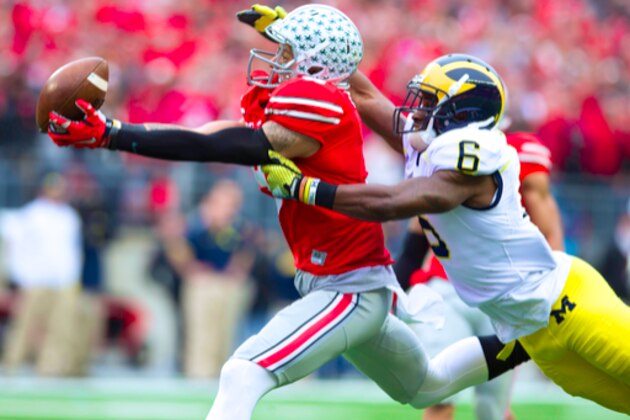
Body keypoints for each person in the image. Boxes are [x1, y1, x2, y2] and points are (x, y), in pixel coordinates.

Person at [45, 6, 516, 419]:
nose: (277, 59)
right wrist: (117, 132)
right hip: (347, 282)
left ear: (315, 63)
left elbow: (226, 145)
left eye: (289, 51)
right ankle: (527, 342)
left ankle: (532, 335)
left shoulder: (321, 101)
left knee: (243, 373)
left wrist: (114, 134)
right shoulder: (322, 97)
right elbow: (217, 135)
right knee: (428, 385)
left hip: (349, 289)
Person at [261, 53, 630, 414]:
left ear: (462, 114)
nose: (417, 110)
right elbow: (365, 96)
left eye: (429, 102)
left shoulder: (472, 157)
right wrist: (315, 51)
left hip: (567, 304)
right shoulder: (431, 147)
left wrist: (304, 188)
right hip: (531, 332)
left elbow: (392, 202)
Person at [404, 131, 564, 420]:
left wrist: (553, 295)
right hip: (447, 289)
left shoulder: (519, 152)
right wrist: (402, 278)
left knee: (493, 408)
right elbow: (419, 226)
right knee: (438, 394)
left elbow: (549, 230)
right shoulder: (441, 148)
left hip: (501, 294)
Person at [1, 172, 85, 376]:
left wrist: (73, 276)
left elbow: (72, 250)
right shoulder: (32, 214)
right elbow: (14, 242)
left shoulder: (69, 216)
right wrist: (20, 274)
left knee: (60, 327)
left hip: (63, 280)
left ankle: (50, 366)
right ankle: (12, 362)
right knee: (25, 323)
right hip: (36, 280)